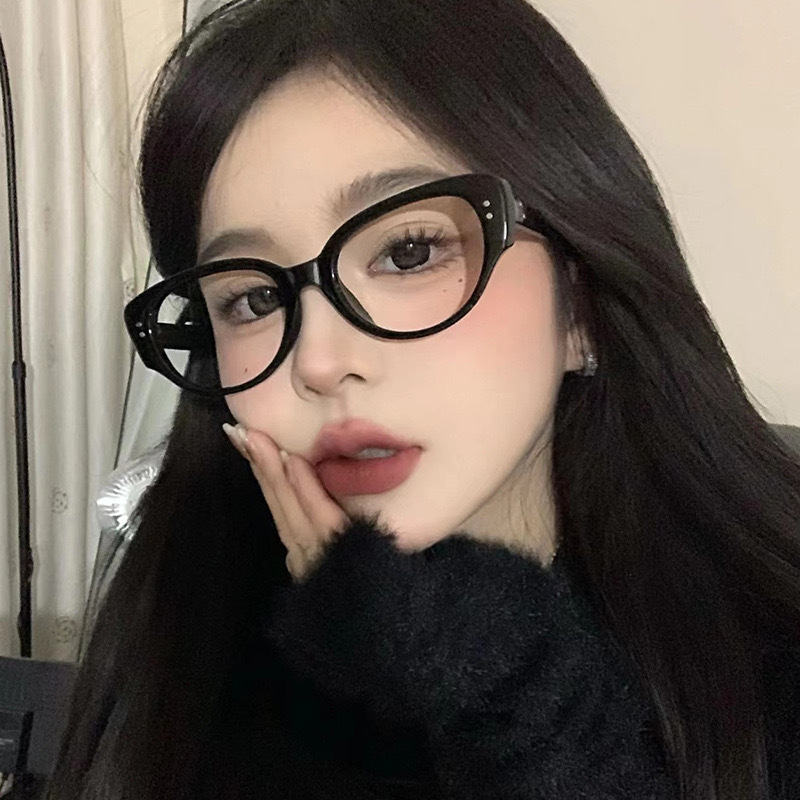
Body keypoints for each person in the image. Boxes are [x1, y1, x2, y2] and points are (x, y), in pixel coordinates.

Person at [48, 0, 800, 798]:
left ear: (579, 306)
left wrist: (510, 699)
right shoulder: (177, 656)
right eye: (254, 300)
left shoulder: (768, 653)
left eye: (409, 251)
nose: (319, 361)